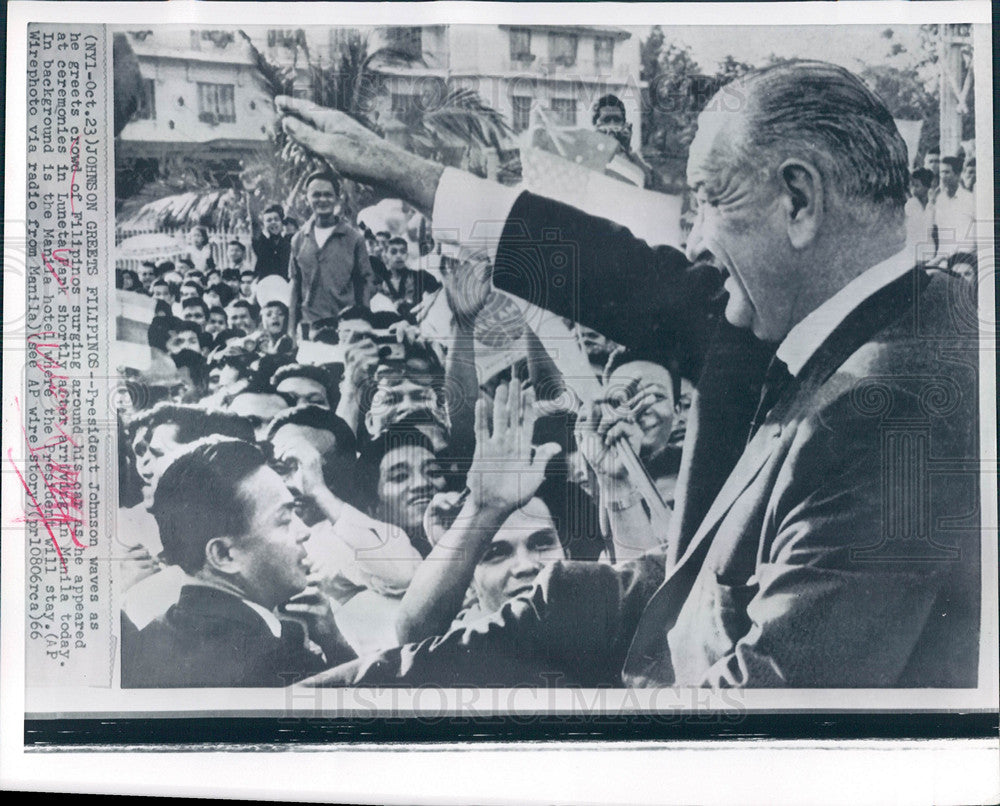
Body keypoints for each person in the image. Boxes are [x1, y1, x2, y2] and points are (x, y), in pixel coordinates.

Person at [282, 59, 980, 689]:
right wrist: (410, 175)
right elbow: (626, 275)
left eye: (708, 199)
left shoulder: (892, 410)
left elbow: (763, 719)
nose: (696, 239)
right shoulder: (851, 316)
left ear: (798, 200)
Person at [121, 438, 356, 687]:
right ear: (223, 555)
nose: (304, 531)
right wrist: (337, 646)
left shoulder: (145, 642)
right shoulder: (281, 663)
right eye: (285, 519)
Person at [288, 171, 374, 339]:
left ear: (337, 197)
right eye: (316, 195)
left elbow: (364, 283)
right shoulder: (298, 239)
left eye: (328, 195)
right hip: (309, 327)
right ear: (307, 198)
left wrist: (365, 325)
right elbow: (295, 285)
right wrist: (291, 330)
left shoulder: (354, 239)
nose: (322, 200)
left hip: (345, 329)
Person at [592, 93, 657, 189]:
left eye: (617, 120)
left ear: (624, 124)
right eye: (606, 120)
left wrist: (627, 150)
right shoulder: (588, 152)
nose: (612, 125)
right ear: (596, 125)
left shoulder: (632, 157)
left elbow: (649, 184)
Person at [381, 236, 442, 314]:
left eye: (403, 251)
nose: (399, 255)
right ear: (385, 256)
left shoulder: (420, 276)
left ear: (407, 255)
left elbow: (440, 291)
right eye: (393, 252)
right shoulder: (379, 280)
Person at [932, 156, 976, 261]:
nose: (942, 176)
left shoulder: (970, 199)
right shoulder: (940, 200)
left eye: (947, 172)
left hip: (965, 261)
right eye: (941, 173)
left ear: (957, 174)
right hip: (942, 262)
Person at [252, 203, 292, 279]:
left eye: (276, 219)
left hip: (286, 287)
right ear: (264, 224)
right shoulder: (261, 242)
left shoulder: (289, 242)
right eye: (269, 220)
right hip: (264, 287)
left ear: (281, 222)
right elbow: (254, 223)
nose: (273, 222)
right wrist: (250, 195)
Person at [904, 167, 936, 256]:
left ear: (927, 187)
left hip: (929, 248)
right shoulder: (911, 204)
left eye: (917, 186)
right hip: (913, 248)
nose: (913, 189)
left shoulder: (932, 205)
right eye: (912, 185)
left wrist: (931, 203)